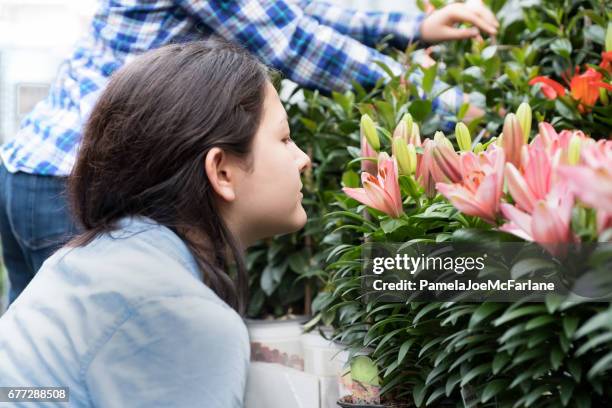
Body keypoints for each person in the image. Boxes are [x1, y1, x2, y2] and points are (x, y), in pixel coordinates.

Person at [0, 0, 498, 304]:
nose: (298, 156)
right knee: (102, 359)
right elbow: (296, 42)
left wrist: (416, 25)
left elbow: (293, 11)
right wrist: (445, 103)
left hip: (30, 166)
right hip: (73, 182)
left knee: (39, 368)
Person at [0, 38, 311, 406]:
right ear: (222, 171)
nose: (303, 159)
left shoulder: (89, 258)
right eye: (285, 138)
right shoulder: (181, 315)